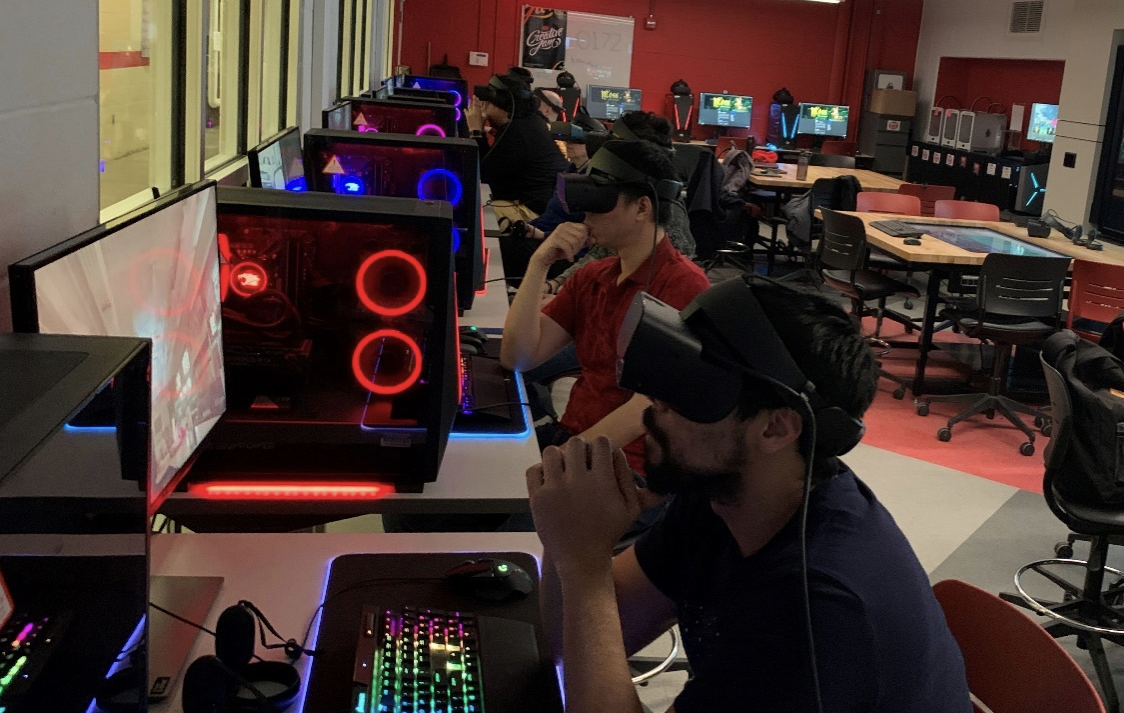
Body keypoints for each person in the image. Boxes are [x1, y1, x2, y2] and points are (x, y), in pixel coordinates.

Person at [527, 280, 973, 713]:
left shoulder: (818, 611)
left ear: (776, 428)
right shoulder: (725, 496)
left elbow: (584, 619)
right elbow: (569, 638)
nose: (656, 403)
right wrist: (569, 541)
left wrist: (584, 564)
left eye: (695, 388)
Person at [501, 140, 711, 477]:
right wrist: (539, 263)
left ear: (642, 208)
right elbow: (519, 357)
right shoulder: (593, 276)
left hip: (631, 469)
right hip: (574, 440)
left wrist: (563, 463)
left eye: (599, 205)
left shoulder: (684, 286)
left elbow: (647, 407)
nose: (586, 216)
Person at [467, 69, 567, 216]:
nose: (483, 103)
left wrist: (475, 131)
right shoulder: (528, 121)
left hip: (535, 211)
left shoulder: (517, 132)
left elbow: (482, 177)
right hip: (540, 203)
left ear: (500, 101)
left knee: (474, 211)